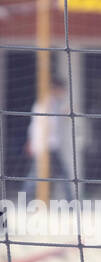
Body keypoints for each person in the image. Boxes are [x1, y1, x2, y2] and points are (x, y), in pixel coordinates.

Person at [23, 74, 77, 202]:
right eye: (62, 89)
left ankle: (70, 201)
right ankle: (24, 199)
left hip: (49, 146)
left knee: (41, 174)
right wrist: (34, 143)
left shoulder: (53, 103)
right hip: (45, 146)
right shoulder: (45, 103)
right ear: (55, 89)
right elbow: (38, 126)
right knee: (39, 175)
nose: (63, 92)